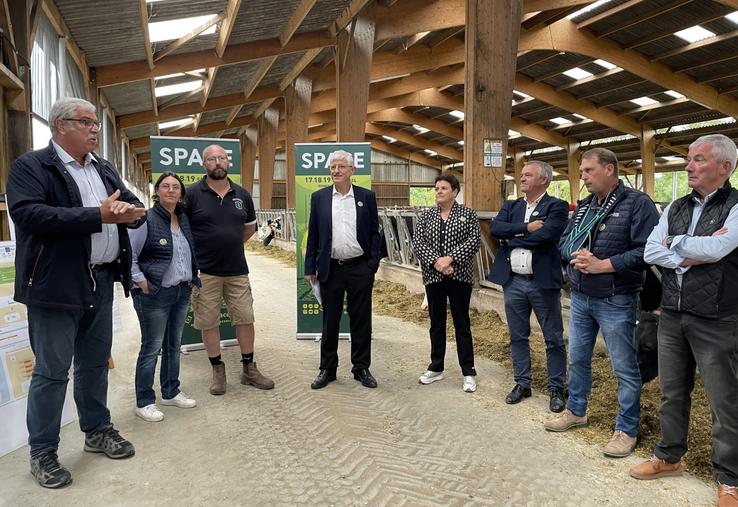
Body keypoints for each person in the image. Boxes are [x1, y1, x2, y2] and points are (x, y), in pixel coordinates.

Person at [7, 97, 146, 488]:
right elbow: (29, 214)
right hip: (55, 285)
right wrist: (96, 216)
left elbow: (131, 203)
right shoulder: (32, 166)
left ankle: (97, 430)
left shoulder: (103, 167)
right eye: (86, 122)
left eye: (96, 123)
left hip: (100, 281)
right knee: (52, 372)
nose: (94, 129)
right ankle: (43, 451)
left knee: (93, 363)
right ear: (60, 125)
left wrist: (135, 213)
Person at [631, 134, 738, 507]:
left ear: (724, 167)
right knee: (672, 392)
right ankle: (669, 456)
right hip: (673, 313)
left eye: (699, 159)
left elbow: (720, 247)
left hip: (718, 317)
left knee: (724, 400)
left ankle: (730, 479)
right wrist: (690, 250)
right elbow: (650, 250)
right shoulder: (676, 205)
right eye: (689, 160)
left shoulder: (737, 206)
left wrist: (675, 246)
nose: (689, 166)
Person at [545, 147, 659, 459]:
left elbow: (647, 251)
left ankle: (626, 429)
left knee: (624, 366)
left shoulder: (637, 204)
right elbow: (565, 241)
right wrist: (576, 257)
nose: (582, 178)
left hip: (616, 297)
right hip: (581, 296)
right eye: (581, 172)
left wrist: (603, 264)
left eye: (587, 171)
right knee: (578, 357)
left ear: (609, 170)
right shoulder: (584, 206)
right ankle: (576, 410)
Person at [184, 144, 274, 395]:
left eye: (221, 158)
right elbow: (181, 230)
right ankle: (217, 369)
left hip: (237, 270)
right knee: (208, 321)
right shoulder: (191, 194)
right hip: (205, 272)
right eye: (211, 159)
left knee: (245, 318)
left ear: (228, 162)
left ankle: (249, 368)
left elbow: (248, 229)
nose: (217, 162)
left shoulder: (242, 195)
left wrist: (229, 244)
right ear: (204, 165)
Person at [488, 161, 568, 411]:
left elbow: (548, 236)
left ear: (543, 180)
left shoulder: (556, 206)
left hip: (542, 282)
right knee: (517, 336)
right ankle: (522, 383)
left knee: (553, 337)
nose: (521, 178)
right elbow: (495, 229)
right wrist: (525, 228)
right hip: (514, 282)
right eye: (521, 175)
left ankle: (557, 387)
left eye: (527, 175)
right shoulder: (511, 205)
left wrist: (511, 240)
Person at [304, 150, 381, 389]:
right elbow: (314, 234)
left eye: (340, 167)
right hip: (331, 268)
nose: (335, 171)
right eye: (332, 167)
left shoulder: (366, 197)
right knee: (330, 321)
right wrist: (310, 267)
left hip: (360, 267)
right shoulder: (320, 197)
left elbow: (373, 233)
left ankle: (361, 368)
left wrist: (372, 265)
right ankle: (328, 369)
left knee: (361, 320)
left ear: (351, 170)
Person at [129, 172, 200, 422]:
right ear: (156, 191)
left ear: (181, 193)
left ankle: (171, 391)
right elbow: (130, 254)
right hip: (154, 293)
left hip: (181, 291)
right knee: (151, 347)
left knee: (174, 345)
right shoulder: (145, 218)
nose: (171, 190)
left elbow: (189, 249)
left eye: (176, 187)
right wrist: (140, 281)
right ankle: (144, 400)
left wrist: (192, 275)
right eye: (165, 186)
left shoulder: (183, 218)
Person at [413, 172, 481, 392]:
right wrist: (437, 262)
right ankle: (436, 366)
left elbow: (474, 240)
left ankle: (468, 371)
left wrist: (450, 260)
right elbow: (418, 242)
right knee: (436, 323)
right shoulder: (426, 215)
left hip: (459, 276)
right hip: (433, 277)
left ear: (454, 191)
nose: (438, 192)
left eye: (443, 188)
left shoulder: (467, 214)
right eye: (436, 189)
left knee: (462, 324)